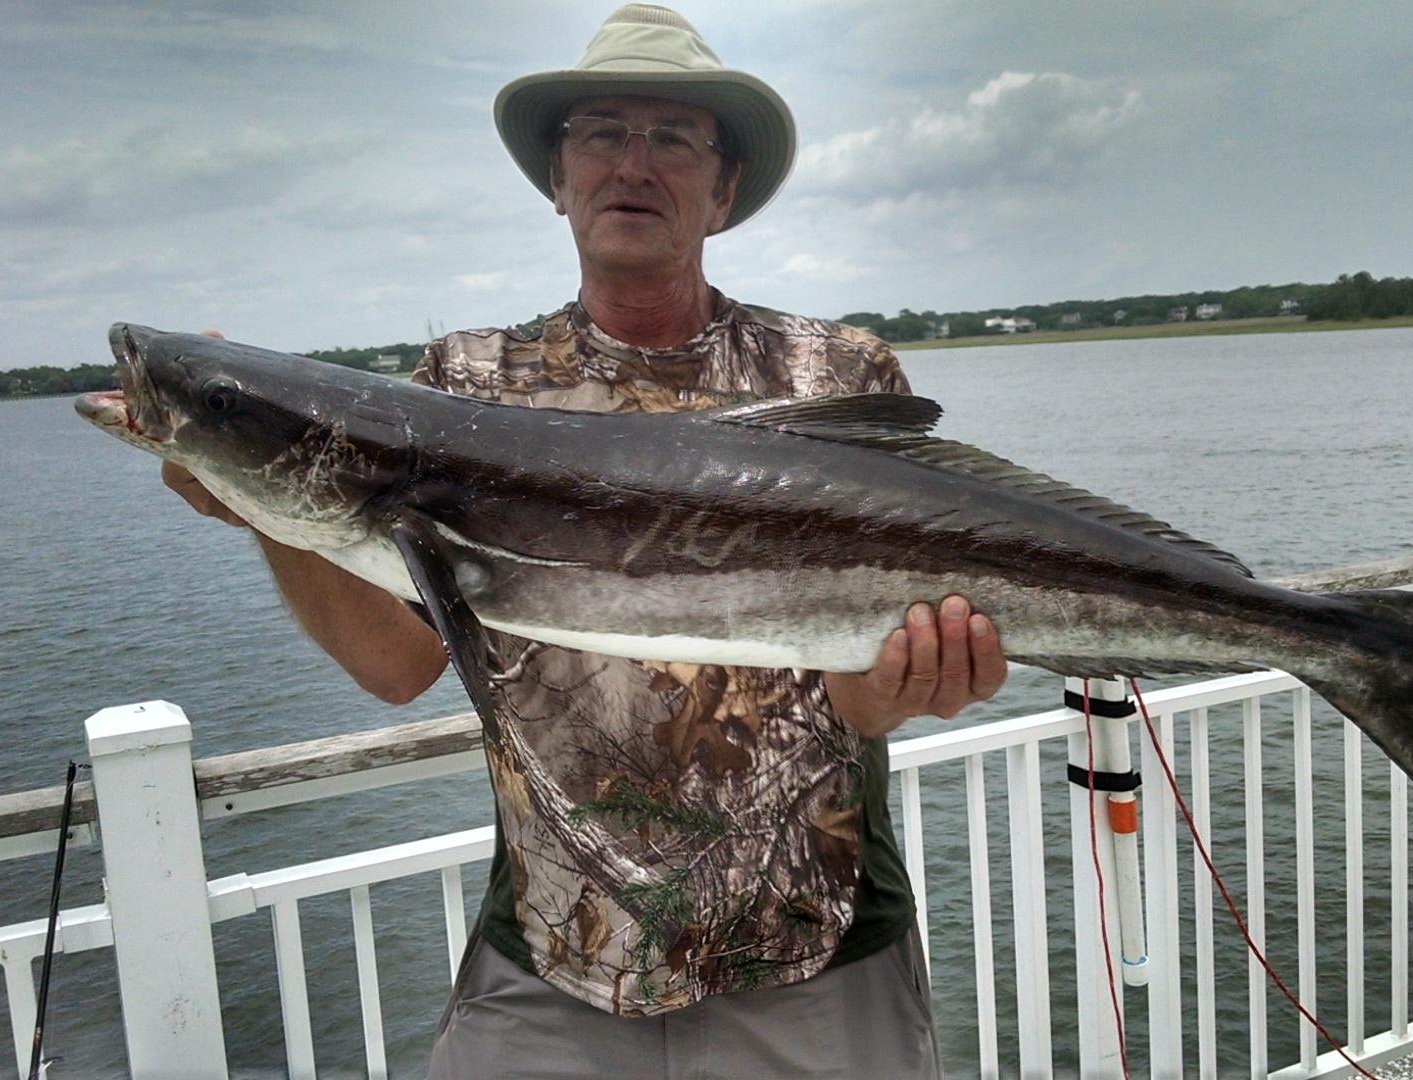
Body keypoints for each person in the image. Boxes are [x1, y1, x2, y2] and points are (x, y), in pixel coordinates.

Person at [164, 6, 1006, 1076]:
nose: (633, 164)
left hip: (815, 956)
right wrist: (264, 498)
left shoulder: (832, 379)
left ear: (725, 186)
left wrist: (900, 686)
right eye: (600, 132)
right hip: (553, 961)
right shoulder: (462, 392)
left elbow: (854, 695)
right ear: (557, 177)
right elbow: (396, 662)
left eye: (674, 138)